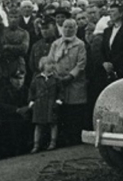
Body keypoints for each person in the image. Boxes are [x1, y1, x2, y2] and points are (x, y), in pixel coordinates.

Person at [49, 19, 88, 147]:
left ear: (76, 29)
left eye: (71, 27)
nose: (68, 30)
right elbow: (50, 61)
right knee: (61, 109)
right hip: (59, 81)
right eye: (65, 27)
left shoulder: (80, 44)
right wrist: (56, 76)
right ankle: (62, 140)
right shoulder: (56, 44)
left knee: (74, 111)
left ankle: (75, 140)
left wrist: (71, 76)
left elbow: (81, 64)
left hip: (74, 82)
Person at [29, 56, 63, 152]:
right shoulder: (37, 79)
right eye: (48, 64)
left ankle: (53, 142)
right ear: (42, 66)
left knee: (53, 123)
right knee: (38, 125)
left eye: (52, 64)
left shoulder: (56, 79)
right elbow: (32, 91)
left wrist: (59, 100)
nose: (51, 66)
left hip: (51, 104)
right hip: (40, 104)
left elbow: (61, 91)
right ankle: (36, 144)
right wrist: (31, 101)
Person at [0, 13, 29, 78]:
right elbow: (0, 48)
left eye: (16, 17)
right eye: (11, 17)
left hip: (18, 63)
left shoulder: (24, 33)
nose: (13, 20)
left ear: (19, 19)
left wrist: (8, 47)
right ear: (7, 18)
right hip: (4, 64)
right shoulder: (2, 32)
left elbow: (24, 49)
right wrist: (16, 47)